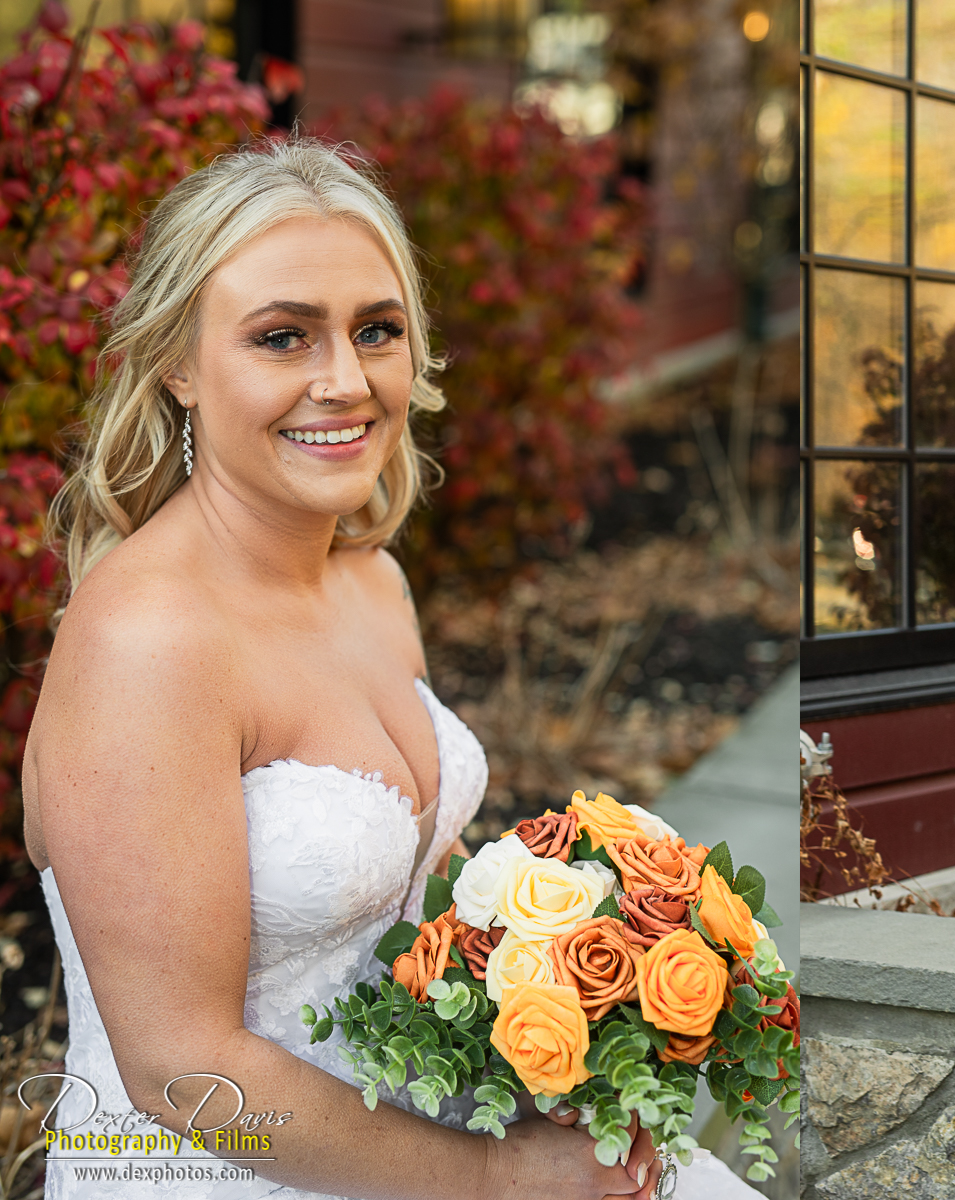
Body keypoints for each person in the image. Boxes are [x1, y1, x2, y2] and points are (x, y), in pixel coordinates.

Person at [20, 138, 761, 1199]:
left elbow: (416, 896)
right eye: (283, 337)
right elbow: (180, 1069)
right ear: (178, 365)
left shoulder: (370, 580)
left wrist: (591, 957)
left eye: (377, 330)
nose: (345, 380)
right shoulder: (148, 643)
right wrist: (495, 1179)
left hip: (427, 1107)